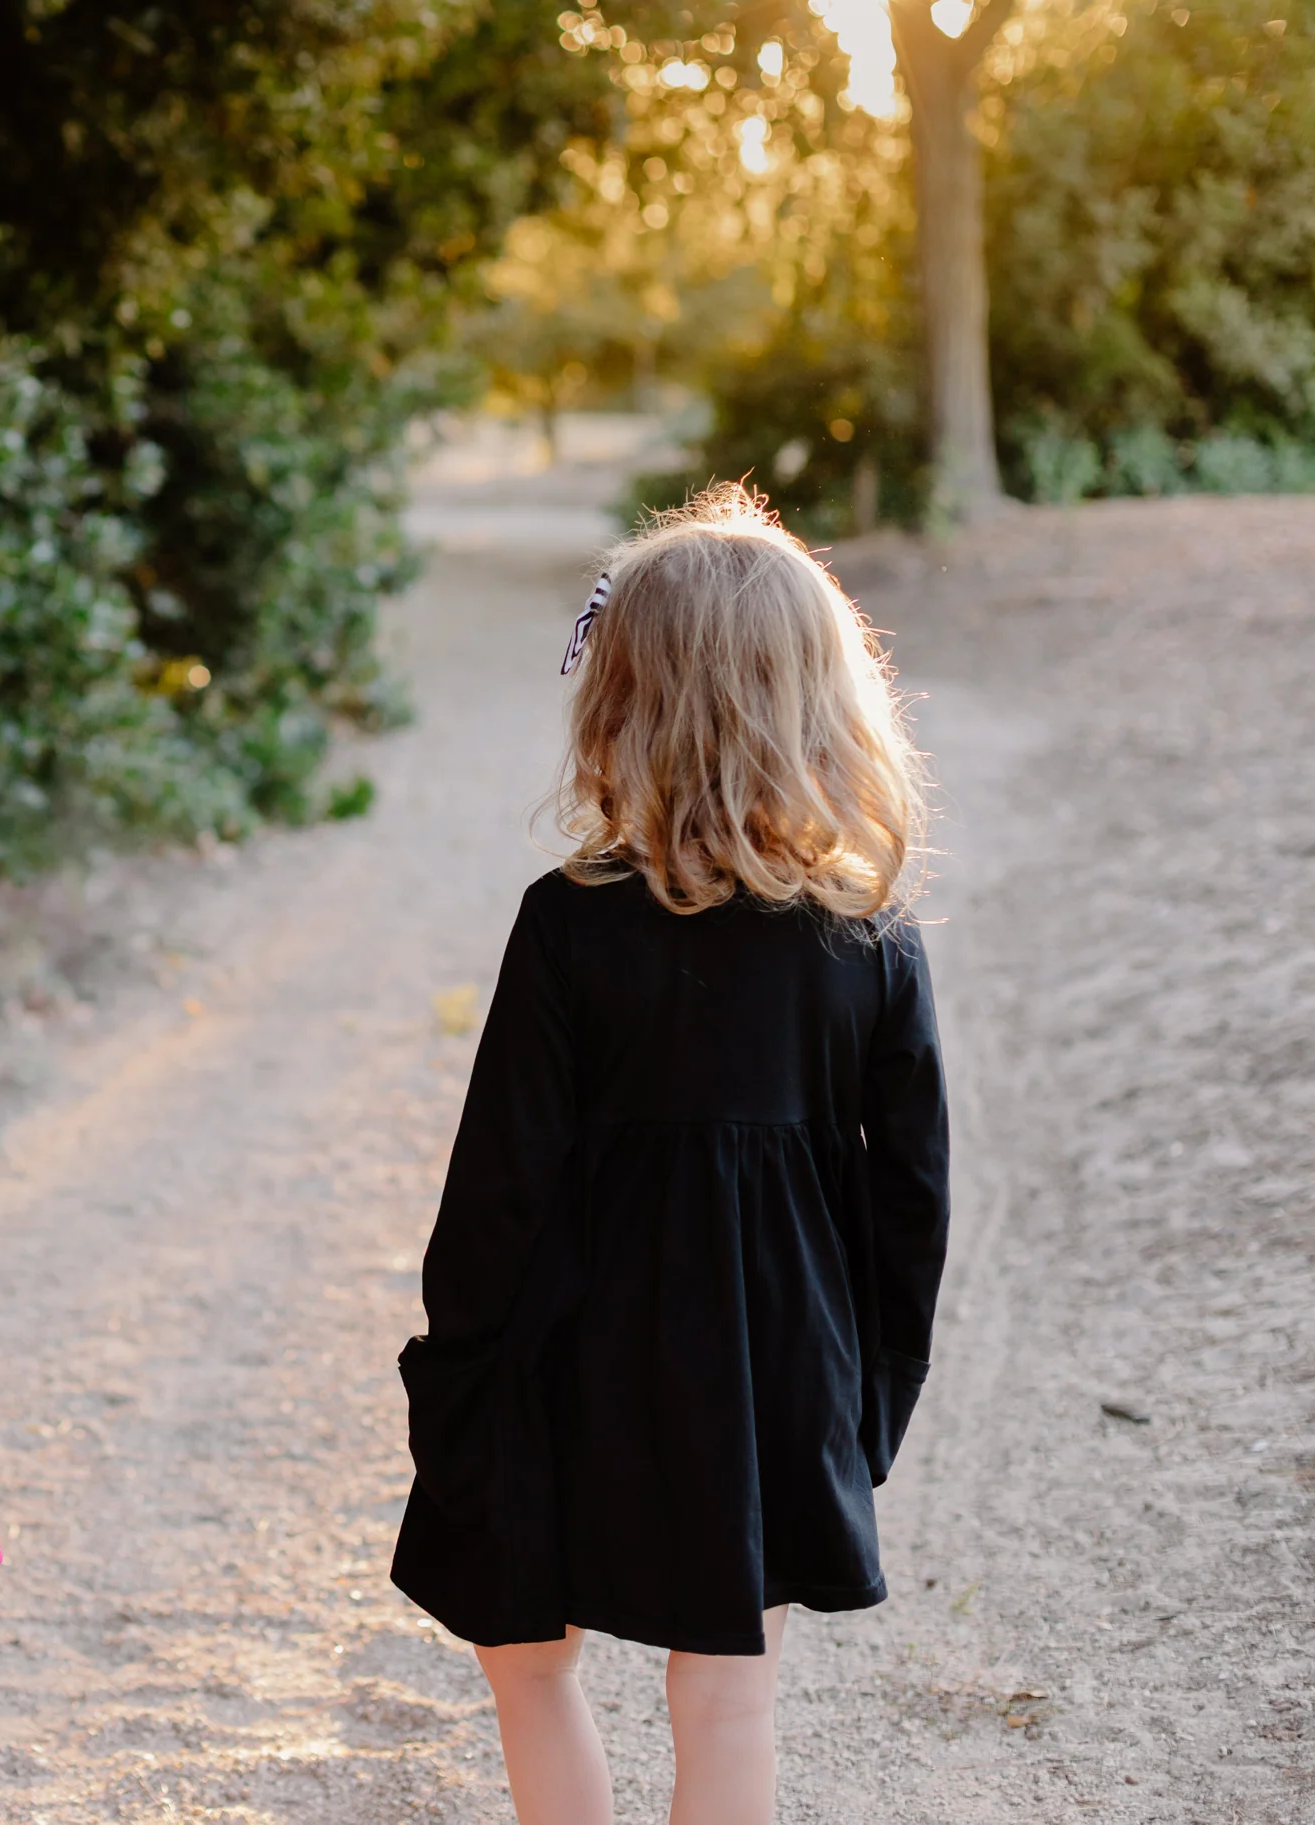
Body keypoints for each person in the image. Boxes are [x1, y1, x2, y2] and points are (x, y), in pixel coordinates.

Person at [391, 484, 949, 1825]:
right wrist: (867, 1400)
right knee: (727, 1690)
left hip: (570, 1355)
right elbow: (909, 1206)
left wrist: (452, 1368)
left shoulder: (567, 925)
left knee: (524, 1658)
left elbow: (500, 1188)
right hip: (771, 1372)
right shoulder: (867, 944)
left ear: (622, 702)